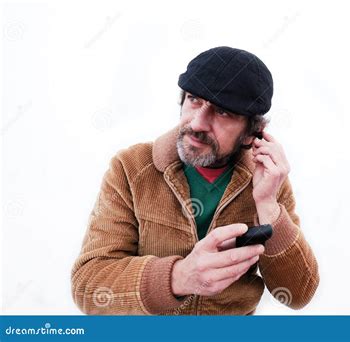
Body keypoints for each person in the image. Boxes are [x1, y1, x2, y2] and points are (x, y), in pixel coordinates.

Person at [71, 46, 320, 315]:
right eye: (194, 100)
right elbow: (88, 286)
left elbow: (298, 295)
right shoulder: (130, 168)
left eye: (223, 112)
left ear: (252, 134)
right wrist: (179, 277)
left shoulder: (269, 181)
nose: (198, 122)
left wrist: (268, 205)